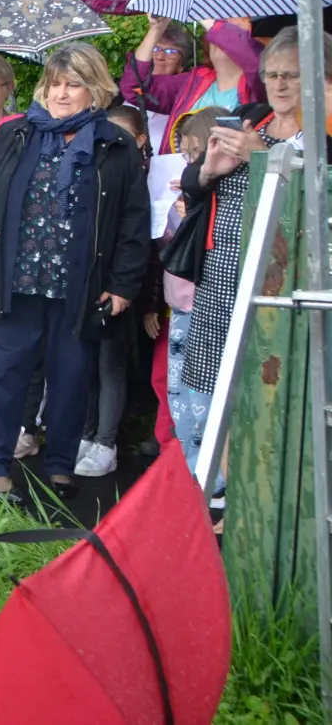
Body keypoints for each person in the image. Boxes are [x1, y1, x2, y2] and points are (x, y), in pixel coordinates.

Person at [0, 42, 150, 502]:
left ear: (95, 89)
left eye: (74, 84)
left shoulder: (115, 145)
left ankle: (61, 466)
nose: (62, 94)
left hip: (79, 285)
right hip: (13, 280)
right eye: (56, 83)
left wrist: (124, 284)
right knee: (5, 375)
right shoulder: (15, 134)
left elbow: (133, 220)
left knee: (71, 378)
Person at [179, 28, 330, 487]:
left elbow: (315, 203)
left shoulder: (323, 132)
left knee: (273, 395)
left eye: (292, 75)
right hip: (223, 275)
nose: (280, 85)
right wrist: (207, 169)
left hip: (283, 285)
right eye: (272, 75)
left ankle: (268, 501)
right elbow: (192, 185)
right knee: (218, 396)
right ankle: (235, 499)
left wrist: (264, 157)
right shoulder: (247, 117)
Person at [75, 105, 158, 477]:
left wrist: (123, 287)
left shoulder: (138, 177)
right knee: (87, 366)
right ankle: (87, 433)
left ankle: (106, 443)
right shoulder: (92, 170)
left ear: (139, 140)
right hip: (86, 285)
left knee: (111, 367)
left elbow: (136, 236)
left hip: (120, 286)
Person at [162, 107, 220, 475]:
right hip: (178, 307)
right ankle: (187, 465)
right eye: (186, 153)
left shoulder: (222, 192)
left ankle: (212, 474)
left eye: (197, 153)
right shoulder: (183, 189)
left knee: (204, 394)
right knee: (177, 390)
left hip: (208, 307)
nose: (191, 162)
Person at [122, 14, 263, 153]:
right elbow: (134, 88)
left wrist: (210, 20)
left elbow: (255, 65)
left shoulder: (259, 85)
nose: (224, 39)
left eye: (235, 33)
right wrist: (156, 30)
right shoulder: (194, 80)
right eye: (219, 35)